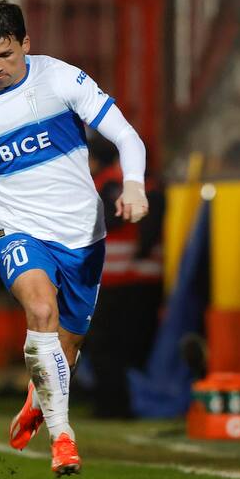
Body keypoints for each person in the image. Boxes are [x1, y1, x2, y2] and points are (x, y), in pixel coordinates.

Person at [0, 0, 149, 477]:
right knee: (40, 311)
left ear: (26, 44)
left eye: (6, 55)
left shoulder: (61, 79)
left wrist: (133, 185)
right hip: (16, 229)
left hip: (83, 233)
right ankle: (63, 438)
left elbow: (128, 137)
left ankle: (39, 399)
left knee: (66, 347)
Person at [83, 137, 164, 418]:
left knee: (104, 345)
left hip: (114, 278)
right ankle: (135, 401)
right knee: (137, 345)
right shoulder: (151, 183)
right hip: (147, 278)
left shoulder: (105, 182)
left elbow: (101, 220)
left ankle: (111, 404)